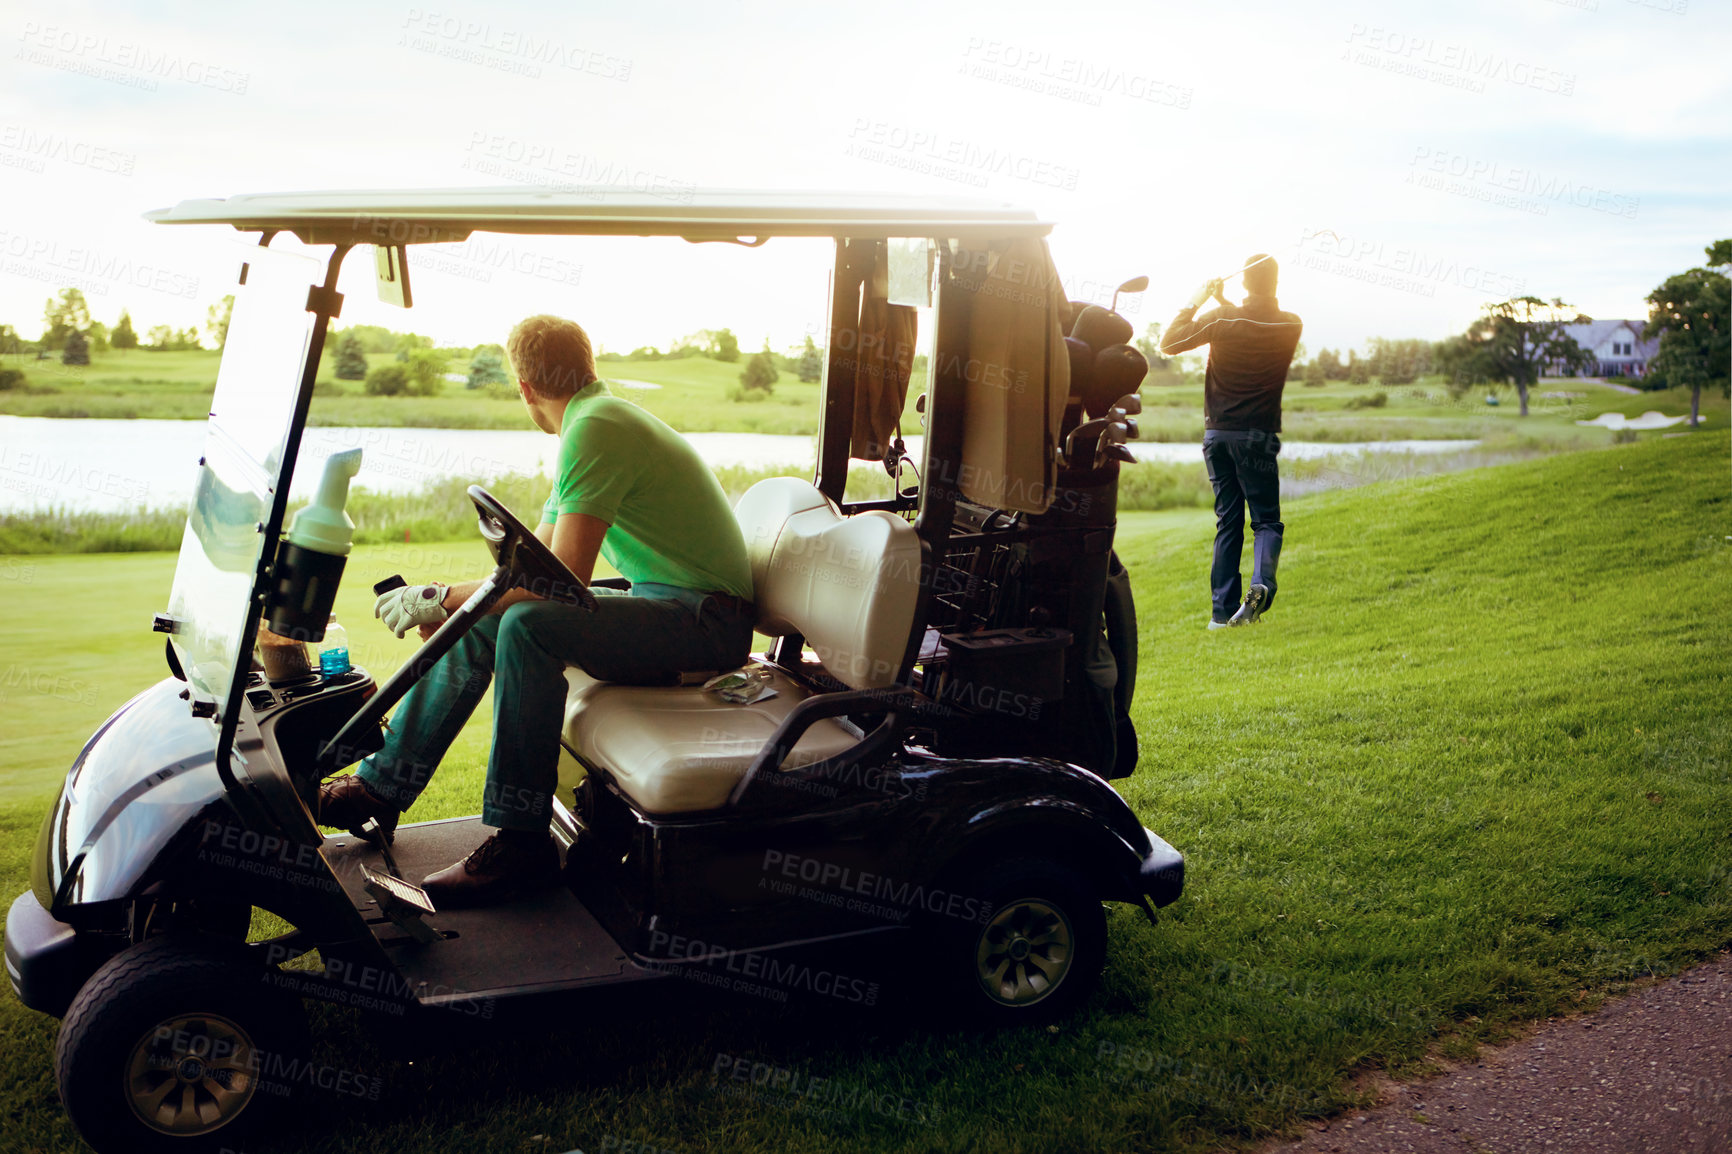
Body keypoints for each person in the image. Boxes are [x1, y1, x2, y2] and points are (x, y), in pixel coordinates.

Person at [318, 315, 755, 906]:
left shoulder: (596, 427)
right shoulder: (592, 422)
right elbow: (535, 568)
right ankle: (380, 787)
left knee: (527, 626)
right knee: (499, 616)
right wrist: (453, 608)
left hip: (707, 621)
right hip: (671, 604)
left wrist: (439, 595)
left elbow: (562, 580)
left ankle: (521, 848)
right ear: (587, 365)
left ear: (524, 387)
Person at [1158, 255, 1303, 629]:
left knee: (1228, 522)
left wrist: (1199, 299)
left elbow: (1169, 342)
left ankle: (1221, 615)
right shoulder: (1290, 324)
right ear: (1275, 281)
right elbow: (1252, 327)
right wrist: (1225, 304)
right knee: (1266, 520)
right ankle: (1261, 584)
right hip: (1258, 436)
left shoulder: (1222, 320)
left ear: (1244, 283)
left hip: (1218, 433)